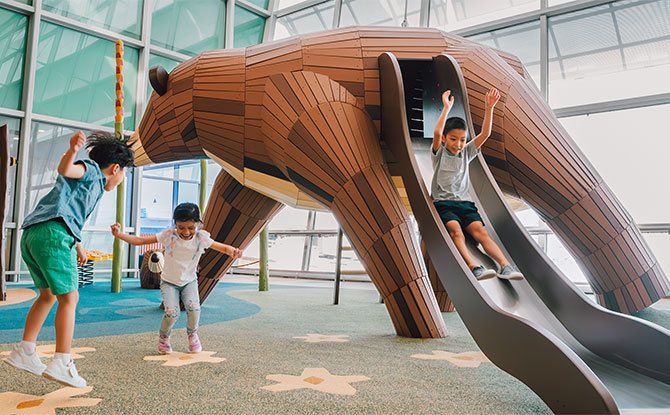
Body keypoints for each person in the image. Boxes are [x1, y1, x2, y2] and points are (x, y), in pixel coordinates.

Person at [5, 131, 134, 388]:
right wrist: (73, 150)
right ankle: (61, 361)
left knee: (47, 295)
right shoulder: (93, 171)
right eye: (124, 175)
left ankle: (25, 350)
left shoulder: (93, 183)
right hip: (53, 236)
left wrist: (77, 245)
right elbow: (66, 170)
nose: (122, 180)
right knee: (70, 298)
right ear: (116, 168)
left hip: (34, 235)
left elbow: (66, 210)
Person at [111, 202, 242, 354]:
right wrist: (118, 235)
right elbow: (141, 241)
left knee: (194, 308)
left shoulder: (201, 238)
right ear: (175, 225)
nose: (186, 232)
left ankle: (193, 335)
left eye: (191, 228)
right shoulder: (169, 236)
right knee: (172, 312)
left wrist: (234, 252)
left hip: (189, 282)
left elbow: (223, 248)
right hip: (169, 282)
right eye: (181, 227)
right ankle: (164, 338)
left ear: (198, 224)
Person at [431, 88, 523, 281]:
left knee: (480, 232)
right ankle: (474, 266)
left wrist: (489, 107)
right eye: (453, 139)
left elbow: (485, 134)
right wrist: (447, 108)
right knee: (456, 231)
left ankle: (505, 266)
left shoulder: (466, 152)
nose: (458, 144)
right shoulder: (439, 153)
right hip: (443, 204)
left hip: (465, 204)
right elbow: (438, 132)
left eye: (462, 140)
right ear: (446, 139)